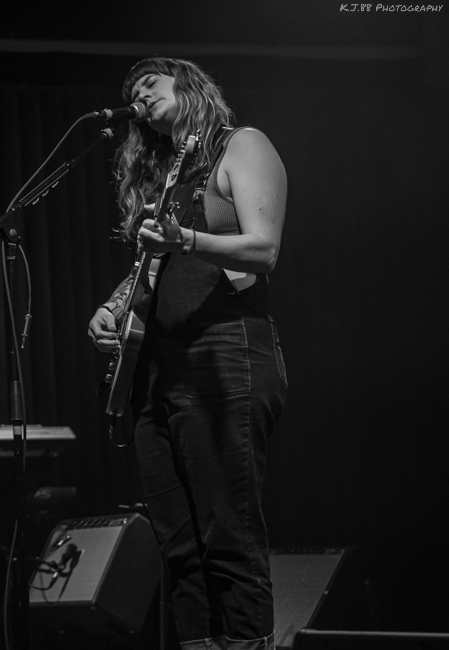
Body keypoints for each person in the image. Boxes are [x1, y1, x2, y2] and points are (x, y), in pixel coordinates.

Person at [88, 58, 288, 650]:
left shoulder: (241, 144)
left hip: (225, 353)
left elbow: (264, 248)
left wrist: (186, 237)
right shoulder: (168, 176)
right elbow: (157, 267)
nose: (138, 94)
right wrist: (114, 306)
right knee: (177, 546)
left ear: (189, 84)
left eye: (150, 83)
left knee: (228, 532)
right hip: (158, 369)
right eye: (131, 92)